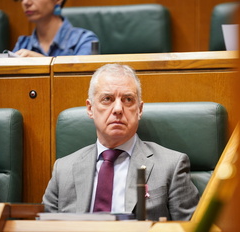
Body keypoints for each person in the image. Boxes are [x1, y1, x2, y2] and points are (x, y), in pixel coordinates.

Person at [42, 63, 199, 221]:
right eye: (107, 99)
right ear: (90, 108)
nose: (118, 108)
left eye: (128, 99)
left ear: (139, 109)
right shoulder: (63, 170)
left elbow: (192, 228)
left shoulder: (171, 166)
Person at [0, 0, 98, 57]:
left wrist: (42, 62)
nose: (26, 2)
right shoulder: (23, 44)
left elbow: (83, 83)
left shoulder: (85, 40)